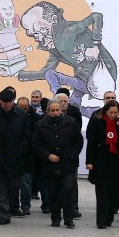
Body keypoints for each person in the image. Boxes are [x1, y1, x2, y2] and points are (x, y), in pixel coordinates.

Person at [33, 98, 83, 229]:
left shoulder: (71, 122)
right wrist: (48, 155)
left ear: (61, 110)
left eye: (57, 110)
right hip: (50, 165)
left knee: (67, 190)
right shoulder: (40, 124)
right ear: (48, 111)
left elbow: (78, 141)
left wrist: (72, 154)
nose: (55, 113)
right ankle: (55, 218)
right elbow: (36, 145)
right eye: (53, 110)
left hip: (68, 164)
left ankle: (69, 219)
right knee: (53, 193)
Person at [0, 87, 31, 225]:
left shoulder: (21, 115)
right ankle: (4, 215)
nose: (7, 104)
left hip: (16, 159)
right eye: (4, 101)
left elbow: (27, 136)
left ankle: (12, 207)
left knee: (14, 187)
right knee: (0, 188)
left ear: (13, 101)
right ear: (0, 101)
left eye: (10, 101)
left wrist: (21, 151)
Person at [85, 100, 119, 229]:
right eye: (110, 112)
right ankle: (101, 221)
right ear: (105, 111)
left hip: (116, 162)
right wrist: (89, 161)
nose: (113, 115)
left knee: (114, 194)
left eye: (115, 112)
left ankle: (109, 219)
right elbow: (91, 142)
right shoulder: (97, 121)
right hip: (100, 162)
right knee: (102, 194)